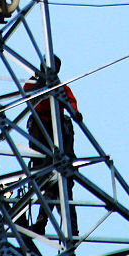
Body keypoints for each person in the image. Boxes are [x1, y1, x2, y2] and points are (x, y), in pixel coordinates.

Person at [23, 61, 82, 233]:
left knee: (62, 186)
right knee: (49, 183)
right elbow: (28, 94)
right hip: (42, 133)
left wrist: (75, 112)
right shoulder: (34, 83)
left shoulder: (59, 87)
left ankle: (69, 229)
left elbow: (69, 100)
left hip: (58, 138)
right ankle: (47, 224)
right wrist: (42, 84)